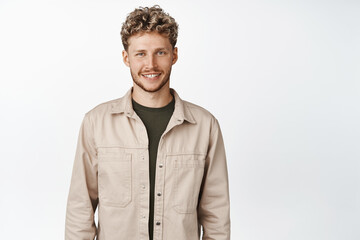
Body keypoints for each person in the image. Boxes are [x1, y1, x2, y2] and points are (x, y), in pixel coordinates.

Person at [65, 5, 230, 240]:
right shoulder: (96, 123)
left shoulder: (205, 126)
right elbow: (80, 208)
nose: (150, 64)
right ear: (126, 58)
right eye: (140, 53)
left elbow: (216, 215)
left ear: (174, 55)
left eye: (160, 53)